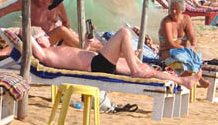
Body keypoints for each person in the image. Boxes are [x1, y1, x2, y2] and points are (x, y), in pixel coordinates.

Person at [16, 27, 198, 88]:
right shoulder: (46, 53)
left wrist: (87, 45)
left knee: (147, 70)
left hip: (97, 61)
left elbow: (78, 54)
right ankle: (134, 68)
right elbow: (37, 53)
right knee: (124, 33)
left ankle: (183, 81)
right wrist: (26, 33)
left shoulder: (55, 48)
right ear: (37, 42)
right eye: (42, 36)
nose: (47, 36)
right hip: (96, 65)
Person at [0, 0, 80, 47]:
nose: (39, 0)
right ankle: (86, 49)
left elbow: (66, 22)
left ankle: (88, 51)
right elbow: (3, 11)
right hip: (37, 40)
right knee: (62, 30)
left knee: (71, 34)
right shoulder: (28, 2)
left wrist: (64, 42)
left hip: (53, 39)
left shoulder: (58, 5)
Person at [159, 0, 204, 78]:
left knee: (194, 60)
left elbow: (192, 37)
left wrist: (193, 46)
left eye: (176, 9)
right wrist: (186, 50)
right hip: (167, 53)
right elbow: (170, 44)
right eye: (171, 9)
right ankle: (197, 79)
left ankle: (196, 77)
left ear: (182, 10)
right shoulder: (166, 22)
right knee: (182, 66)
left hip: (182, 54)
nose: (173, 11)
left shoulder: (186, 19)